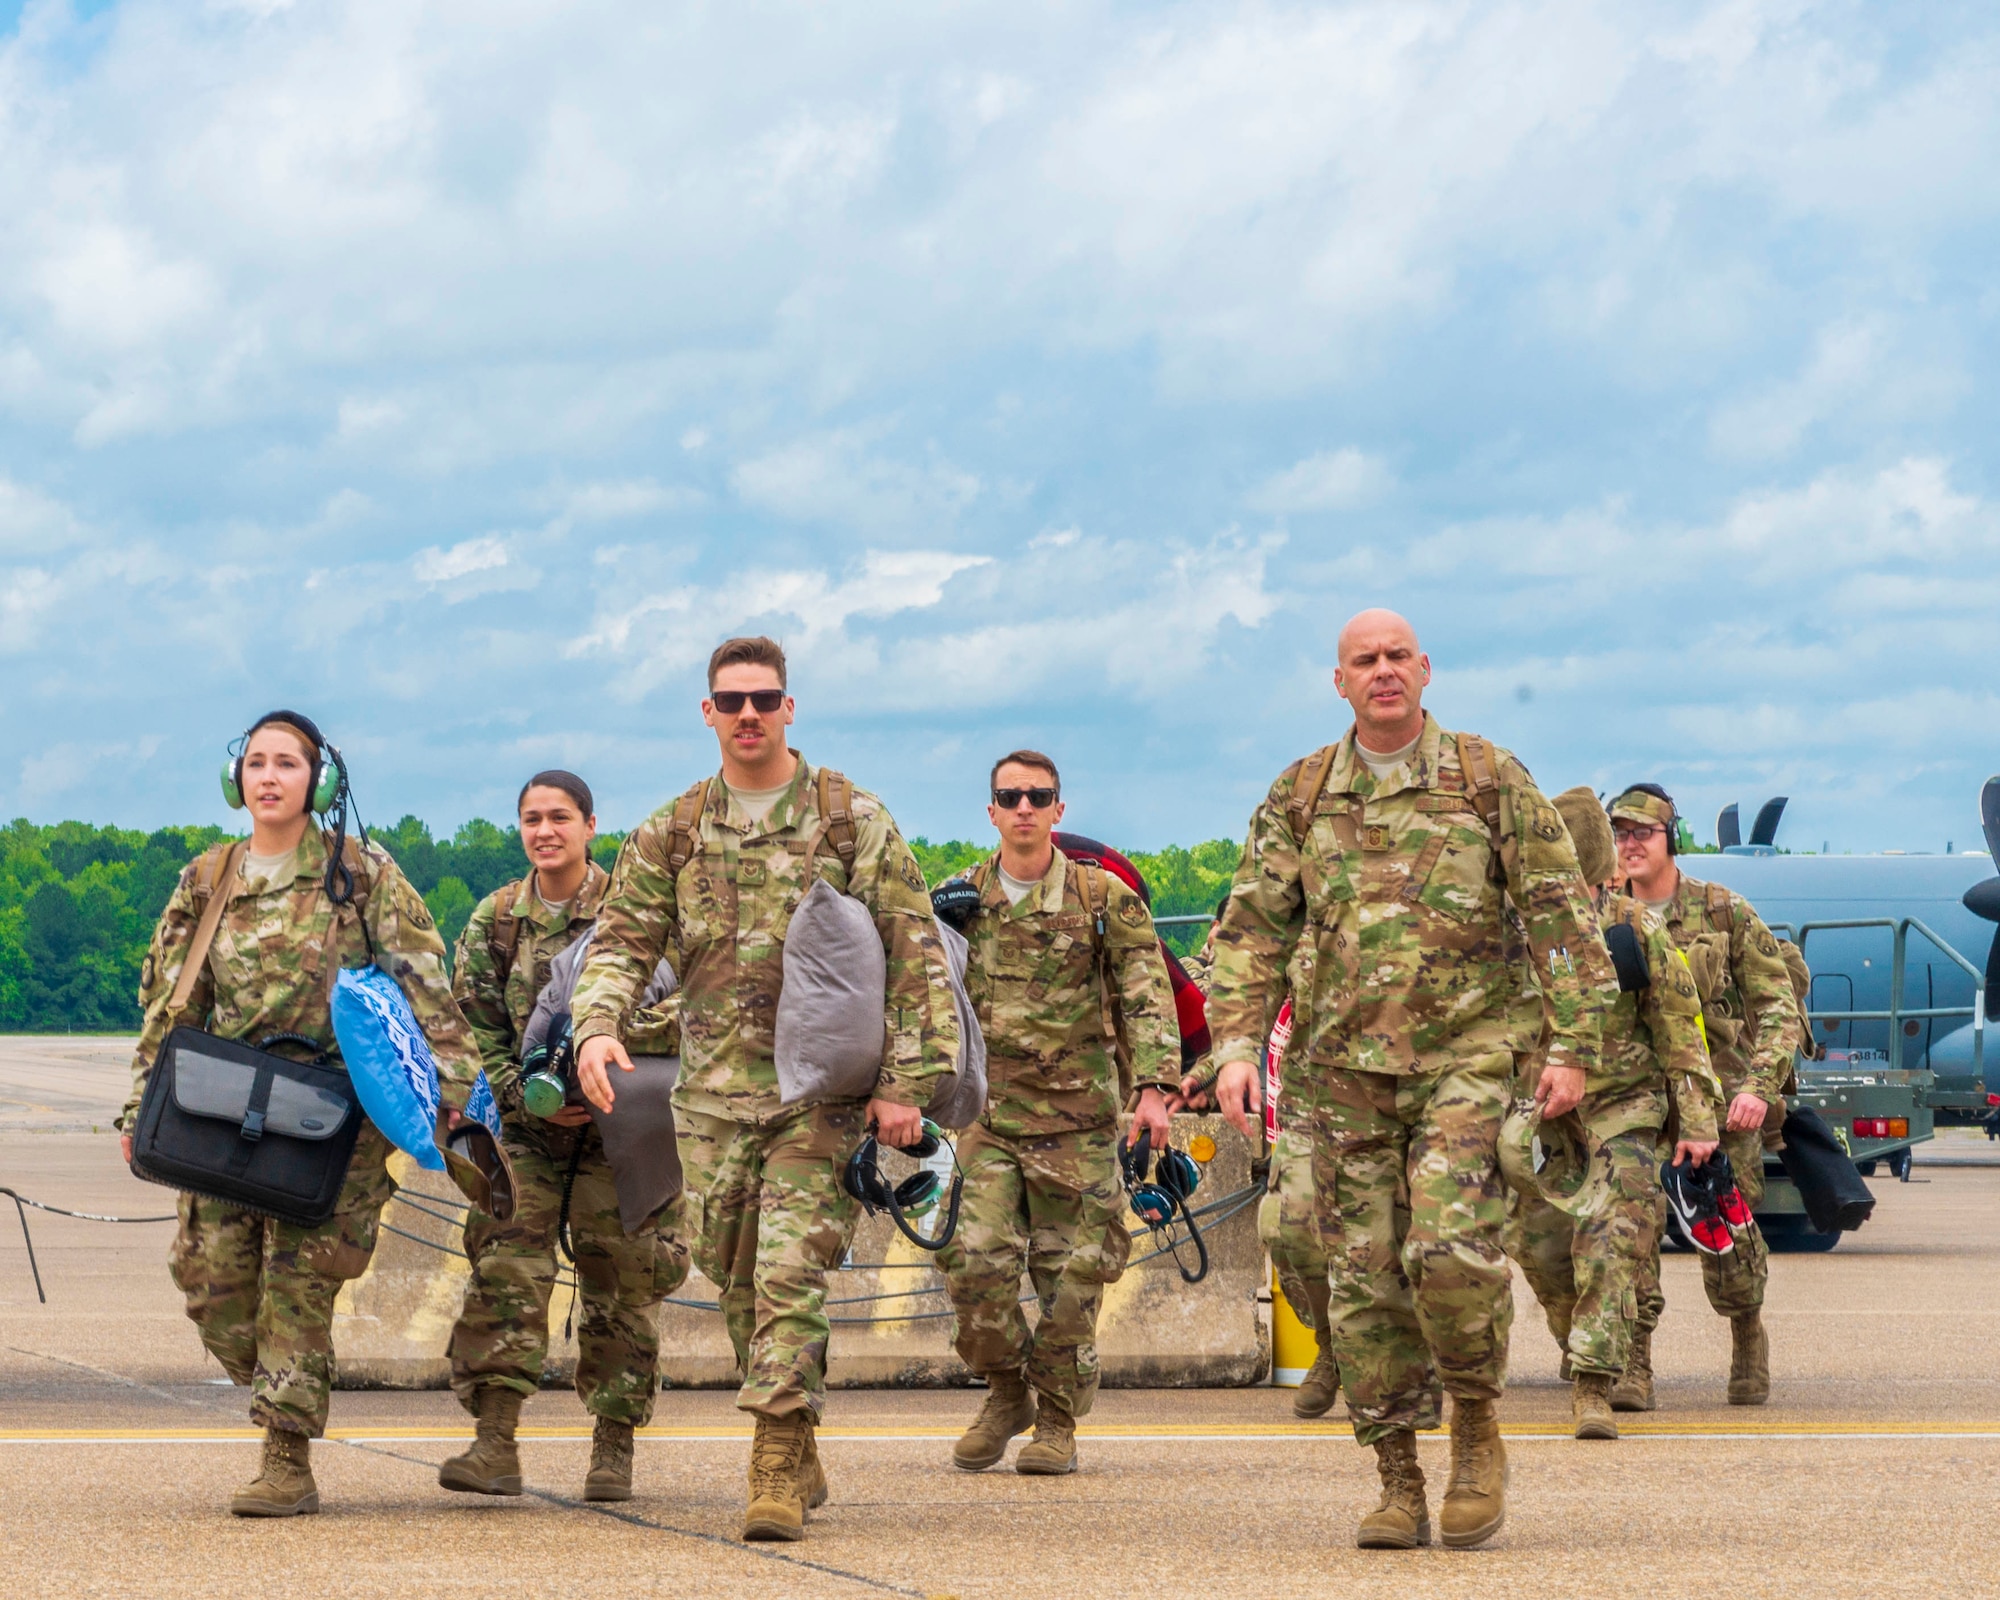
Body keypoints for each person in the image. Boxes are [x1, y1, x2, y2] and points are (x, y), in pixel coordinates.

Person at [1205, 609, 1614, 1551]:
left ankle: (1474, 1424)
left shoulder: (1488, 778)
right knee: (1360, 1282)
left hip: (1466, 1062)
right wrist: (1233, 1046)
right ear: (1339, 682)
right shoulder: (1301, 793)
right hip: (1340, 1073)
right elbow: (1253, 929)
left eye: (1398, 657)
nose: (1383, 672)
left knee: (1448, 1252)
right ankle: (1397, 1474)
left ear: (1425, 671)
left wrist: (1574, 1045)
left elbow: (1561, 913)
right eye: (1364, 661)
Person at [568, 636, 960, 1543]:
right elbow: (623, 942)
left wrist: (906, 1086)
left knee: (789, 1276)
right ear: (707, 712)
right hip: (709, 1100)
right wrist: (595, 1026)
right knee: (736, 1278)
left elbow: (917, 954)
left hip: (818, 1099)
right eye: (731, 700)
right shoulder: (673, 829)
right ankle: (798, 1421)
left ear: (791, 707)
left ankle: (775, 1456)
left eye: (766, 698)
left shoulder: (850, 818)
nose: (749, 714)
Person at [118, 710, 480, 1517]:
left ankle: (286, 1455)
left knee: (299, 1287)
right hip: (223, 1104)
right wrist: (138, 1105)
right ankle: (282, 1382)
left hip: (331, 1116)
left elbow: (424, 984)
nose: (271, 775)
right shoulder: (209, 878)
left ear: (321, 781)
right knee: (209, 1281)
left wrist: (455, 1098)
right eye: (256, 762)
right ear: (236, 779)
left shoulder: (360, 873)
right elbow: (171, 1000)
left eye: (289, 762)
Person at [438, 770, 690, 1503]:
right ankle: (494, 1443)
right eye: (531, 819)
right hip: (527, 1131)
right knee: (505, 1265)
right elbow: (469, 1026)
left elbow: (688, 1006)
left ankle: (613, 1448)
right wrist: (524, 1094)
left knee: (625, 1276)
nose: (545, 831)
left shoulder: (634, 912)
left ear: (590, 825)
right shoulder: (496, 920)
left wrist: (599, 1050)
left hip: (626, 1128)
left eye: (559, 817)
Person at [933, 751, 1180, 1476]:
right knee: (973, 1265)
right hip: (989, 1119)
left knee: (1069, 1283)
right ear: (991, 812)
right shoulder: (959, 900)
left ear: (1058, 810)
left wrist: (1155, 1090)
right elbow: (921, 998)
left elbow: (1145, 995)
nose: (1024, 808)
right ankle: (1008, 1391)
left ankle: (1058, 1423)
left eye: (1038, 796)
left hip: (1078, 1122)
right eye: (1009, 796)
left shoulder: (1103, 899)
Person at [1503, 788, 1723, 1440]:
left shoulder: (1633, 932)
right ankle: (1591, 1343)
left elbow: (1681, 1031)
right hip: (1541, 1120)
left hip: (1623, 1112)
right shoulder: (1513, 936)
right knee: (1538, 1246)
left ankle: (1595, 1383)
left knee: (1609, 1239)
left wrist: (1698, 1122)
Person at [1608, 783, 1803, 1408]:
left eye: (1644, 832)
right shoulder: (1604, 916)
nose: (1630, 844)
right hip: (1635, 1100)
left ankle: (1747, 1334)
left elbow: (1780, 1006)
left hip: (1718, 1103)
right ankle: (1634, 1362)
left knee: (1728, 1235)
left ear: (1672, 839)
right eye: (1620, 833)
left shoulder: (1724, 912)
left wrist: (1758, 1087)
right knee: (1631, 1231)